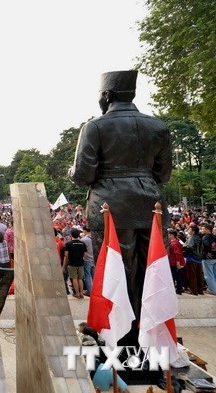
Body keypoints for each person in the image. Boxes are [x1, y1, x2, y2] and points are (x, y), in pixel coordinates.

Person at [68, 70, 172, 343]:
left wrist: (71, 171)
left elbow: (82, 176)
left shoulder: (96, 127)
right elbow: (164, 175)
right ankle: (148, 332)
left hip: (110, 207)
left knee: (117, 271)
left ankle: (120, 334)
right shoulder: (158, 127)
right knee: (151, 271)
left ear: (106, 96)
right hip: (151, 205)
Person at [62, 228, 86, 299]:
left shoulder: (69, 244)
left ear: (71, 235)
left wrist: (64, 266)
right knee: (80, 279)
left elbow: (66, 255)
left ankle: (77, 293)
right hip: (81, 263)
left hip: (72, 263)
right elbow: (84, 254)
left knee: (74, 278)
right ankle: (81, 293)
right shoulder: (82, 243)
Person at [183, 225, 204, 295]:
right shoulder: (200, 238)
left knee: (192, 275)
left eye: (189, 229)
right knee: (199, 275)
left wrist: (184, 251)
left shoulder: (191, 238)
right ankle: (200, 290)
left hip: (191, 258)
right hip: (199, 259)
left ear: (193, 231)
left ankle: (194, 291)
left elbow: (189, 247)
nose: (188, 230)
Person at [200, 222, 216, 294]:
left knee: (208, 274)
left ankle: (213, 290)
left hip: (208, 258)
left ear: (207, 229)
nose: (201, 230)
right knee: (214, 274)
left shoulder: (205, 237)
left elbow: (206, 246)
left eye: (203, 229)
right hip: (215, 257)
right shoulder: (215, 236)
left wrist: (206, 253)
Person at [167, 229, 185, 295]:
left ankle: (176, 290)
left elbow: (178, 253)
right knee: (178, 277)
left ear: (172, 235)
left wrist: (178, 263)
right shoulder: (177, 242)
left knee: (174, 277)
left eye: (169, 234)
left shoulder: (174, 244)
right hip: (177, 262)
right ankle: (179, 290)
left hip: (174, 263)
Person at [81, 226, 95, 294]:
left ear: (85, 230)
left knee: (87, 275)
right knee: (94, 276)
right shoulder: (95, 238)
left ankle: (89, 291)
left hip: (87, 259)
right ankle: (96, 291)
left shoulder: (84, 240)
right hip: (95, 259)